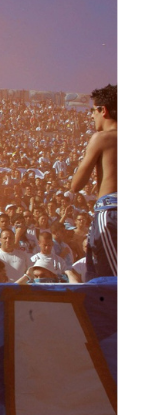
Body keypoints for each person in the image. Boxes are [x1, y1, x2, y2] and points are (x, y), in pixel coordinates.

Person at [71, 84, 118, 279]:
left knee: (108, 280)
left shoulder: (102, 138)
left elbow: (76, 185)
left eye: (93, 110)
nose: (91, 116)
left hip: (110, 212)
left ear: (103, 110)